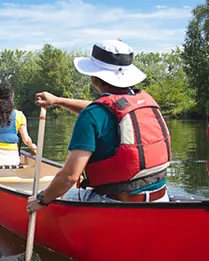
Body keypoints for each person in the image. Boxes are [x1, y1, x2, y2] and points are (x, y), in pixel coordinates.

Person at [26, 40, 172, 214]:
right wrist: (57, 101)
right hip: (161, 199)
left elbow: (69, 177)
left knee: (62, 195)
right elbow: (99, 108)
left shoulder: (93, 115)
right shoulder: (142, 102)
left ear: (94, 77)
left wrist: (42, 199)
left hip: (117, 204)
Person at [0, 83, 37, 166]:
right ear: (11, 96)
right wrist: (32, 146)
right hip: (13, 160)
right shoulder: (20, 115)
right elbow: (26, 140)